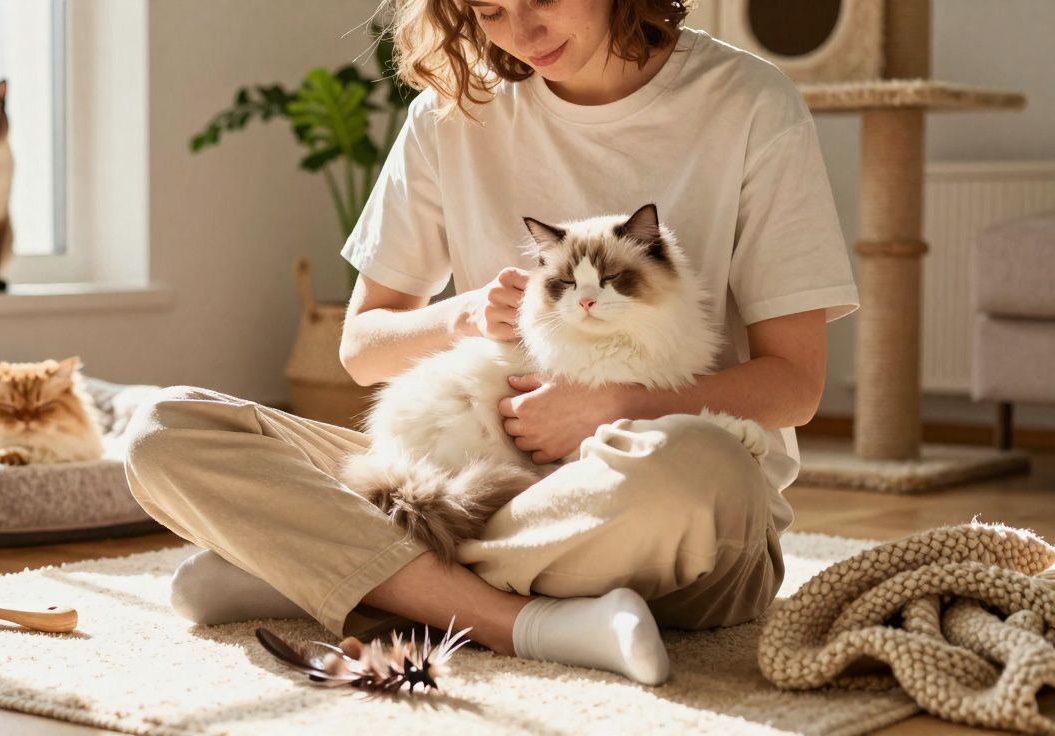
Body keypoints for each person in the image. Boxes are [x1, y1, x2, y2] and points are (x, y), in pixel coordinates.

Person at [123, 0, 858, 686]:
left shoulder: (749, 103)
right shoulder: (450, 115)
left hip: (647, 516)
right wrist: (462, 315)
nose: (524, 34)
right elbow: (362, 346)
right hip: (467, 482)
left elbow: (794, 384)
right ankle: (518, 623)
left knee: (701, 467)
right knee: (165, 431)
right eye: (489, 10)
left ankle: (321, 565)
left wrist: (616, 404)